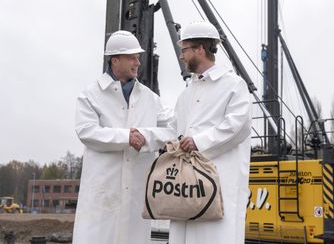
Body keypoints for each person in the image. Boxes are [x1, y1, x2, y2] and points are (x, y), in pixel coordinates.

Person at [73, 30, 173, 244]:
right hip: (103, 191)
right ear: (114, 59)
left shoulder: (150, 98)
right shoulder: (90, 95)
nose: (138, 62)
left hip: (137, 191)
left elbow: (172, 130)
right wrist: (126, 137)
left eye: (138, 57)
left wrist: (145, 136)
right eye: (132, 57)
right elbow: (87, 131)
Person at [168, 20, 252, 244]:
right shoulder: (187, 92)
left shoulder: (234, 86)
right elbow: (174, 128)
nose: (181, 56)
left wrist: (198, 142)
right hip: (186, 186)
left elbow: (238, 127)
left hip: (220, 183)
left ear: (200, 49)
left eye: (184, 49)